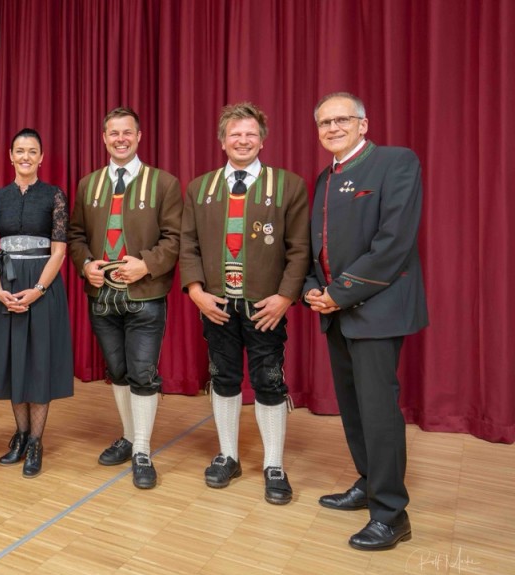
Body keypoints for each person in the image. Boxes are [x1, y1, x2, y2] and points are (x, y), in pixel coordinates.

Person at [303, 92, 428, 550]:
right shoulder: (325, 177)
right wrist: (311, 288)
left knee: (378, 413)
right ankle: (369, 481)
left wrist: (338, 293)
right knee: (354, 408)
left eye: (342, 119)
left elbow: (393, 242)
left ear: (363, 124)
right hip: (336, 311)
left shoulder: (397, 162)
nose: (333, 128)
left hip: (377, 310)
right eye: (324, 123)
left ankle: (391, 514)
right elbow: (319, 245)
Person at [180, 102, 310, 505]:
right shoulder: (199, 188)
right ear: (222, 141)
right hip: (216, 305)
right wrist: (196, 292)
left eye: (251, 133)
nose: (243, 140)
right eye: (235, 134)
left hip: (265, 306)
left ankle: (274, 465)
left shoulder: (288, 185)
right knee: (223, 378)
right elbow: (188, 244)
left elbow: (300, 248)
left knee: (269, 381)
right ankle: (228, 456)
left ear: (262, 140)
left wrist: (285, 297)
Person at [68, 106, 182, 490]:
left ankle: (143, 451)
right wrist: (85, 264)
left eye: (127, 132)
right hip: (102, 297)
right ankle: (130, 437)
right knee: (117, 371)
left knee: (143, 373)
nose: (120, 139)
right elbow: (75, 236)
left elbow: (175, 239)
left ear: (139, 136)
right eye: (113, 133)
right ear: (104, 138)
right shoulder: (88, 185)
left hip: (145, 295)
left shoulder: (164, 183)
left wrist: (147, 265)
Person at [0, 128, 73, 478]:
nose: (26, 156)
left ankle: (36, 442)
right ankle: (20, 435)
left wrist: (39, 289)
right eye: (20, 150)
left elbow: (59, 251)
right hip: (6, 285)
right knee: (15, 361)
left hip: (42, 286)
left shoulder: (54, 196)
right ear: (10, 156)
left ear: (41, 158)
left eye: (32, 151)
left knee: (39, 363)